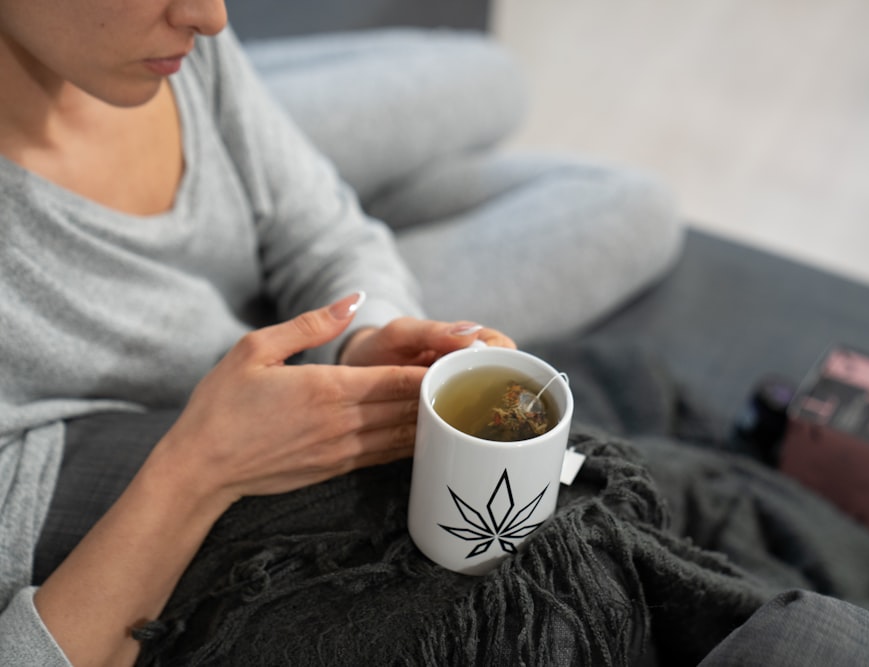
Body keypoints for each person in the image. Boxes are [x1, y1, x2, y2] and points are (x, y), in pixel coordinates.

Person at [0, 1, 681, 665]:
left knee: (494, 77)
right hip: (228, 380)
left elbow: (323, 232)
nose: (212, 17)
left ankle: (271, 162)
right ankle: (283, 168)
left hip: (201, 134)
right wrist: (198, 466)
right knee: (628, 207)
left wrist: (365, 337)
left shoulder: (182, 49)